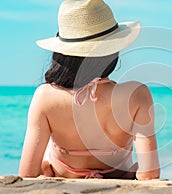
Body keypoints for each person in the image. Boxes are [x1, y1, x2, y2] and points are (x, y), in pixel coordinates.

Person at [18, 0, 160, 180]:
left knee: (48, 151)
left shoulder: (45, 97)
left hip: (65, 174)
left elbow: (27, 174)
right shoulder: (136, 94)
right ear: (112, 51)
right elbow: (150, 174)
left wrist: (47, 174)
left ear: (62, 53)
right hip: (118, 174)